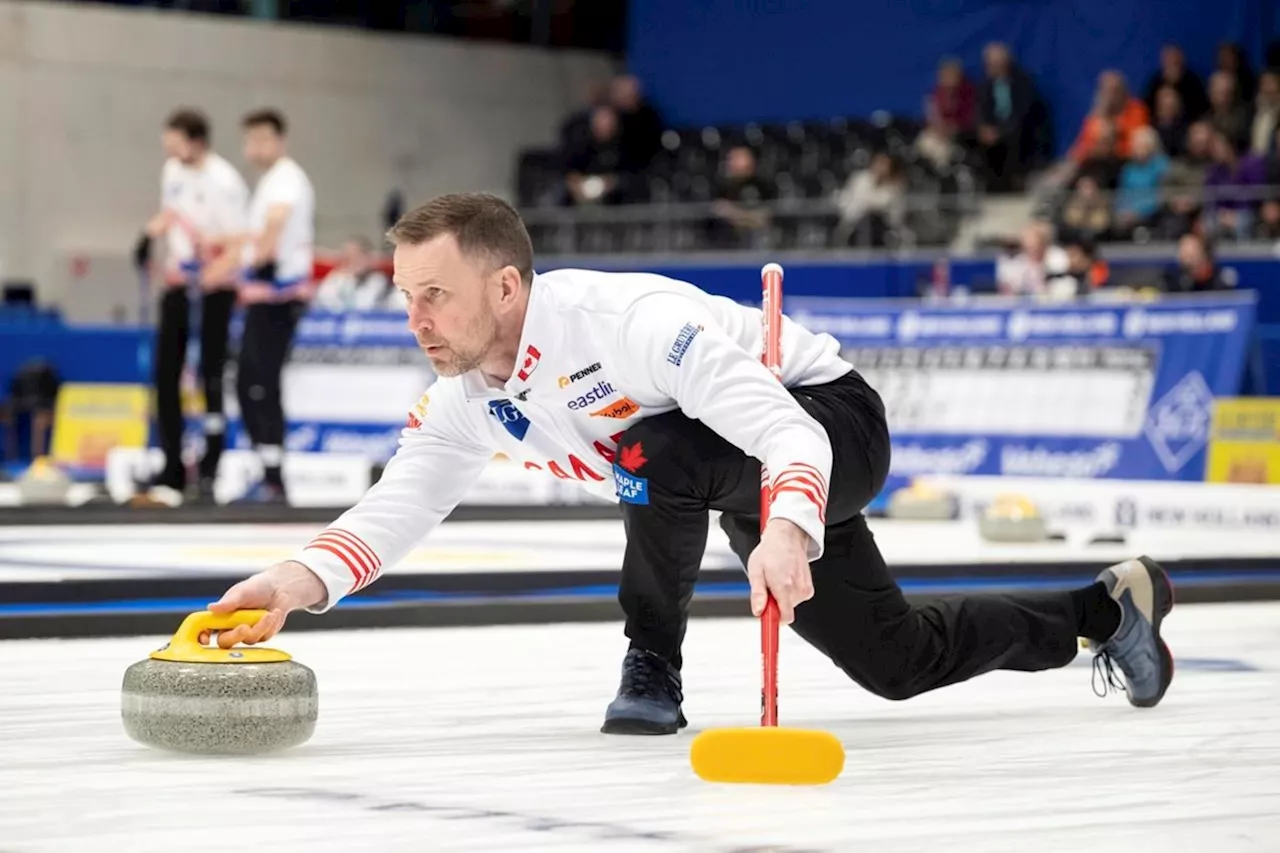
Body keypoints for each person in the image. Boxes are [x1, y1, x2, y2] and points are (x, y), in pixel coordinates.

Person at [205, 193, 1175, 734]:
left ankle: (651, 668)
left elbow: (791, 437)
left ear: (505, 285)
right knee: (893, 660)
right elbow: (399, 504)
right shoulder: (465, 394)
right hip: (729, 474)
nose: (413, 321)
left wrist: (789, 525)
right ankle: (1106, 609)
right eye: (404, 296)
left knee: (654, 447)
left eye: (433, 295)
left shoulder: (627, 327)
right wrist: (295, 581)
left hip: (829, 421)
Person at [132, 107, 249, 507]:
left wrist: (212, 273)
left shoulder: (224, 181)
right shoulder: (173, 171)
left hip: (214, 286)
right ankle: (171, 465)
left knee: (209, 377)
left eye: (177, 143)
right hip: (179, 284)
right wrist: (149, 235)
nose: (171, 151)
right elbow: (172, 214)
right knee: (166, 373)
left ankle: (210, 468)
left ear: (196, 142)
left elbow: (238, 243)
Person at [233, 108, 316, 504]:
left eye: (262, 139)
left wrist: (259, 263)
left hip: (278, 296)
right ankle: (266, 467)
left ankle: (273, 477)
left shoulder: (286, 178)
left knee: (262, 380)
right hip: (264, 296)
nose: (255, 147)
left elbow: (275, 224)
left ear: (279, 140)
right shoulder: (269, 181)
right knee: (250, 379)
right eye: (250, 140)